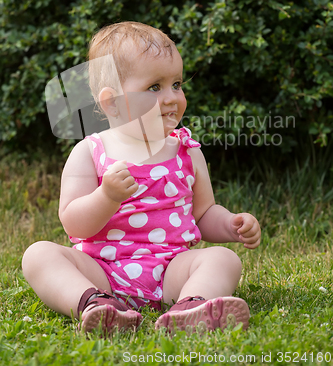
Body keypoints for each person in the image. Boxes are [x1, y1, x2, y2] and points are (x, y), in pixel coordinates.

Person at [22, 21, 261, 335]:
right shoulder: (91, 151)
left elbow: (202, 214)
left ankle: (190, 306)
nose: (172, 96)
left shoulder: (187, 151)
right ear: (112, 102)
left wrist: (230, 224)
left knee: (224, 259)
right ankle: (95, 304)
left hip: (171, 270)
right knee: (39, 255)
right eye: (154, 87)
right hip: (103, 270)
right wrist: (106, 197)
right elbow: (74, 224)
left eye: (176, 84)